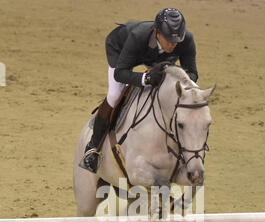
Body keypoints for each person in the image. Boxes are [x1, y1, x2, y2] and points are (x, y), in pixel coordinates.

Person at [81, 8, 198, 173]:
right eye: (168, 40)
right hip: (121, 49)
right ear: (156, 32)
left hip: (158, 58)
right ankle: (93, 148)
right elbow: (120, 73)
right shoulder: (138, 36)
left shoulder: (185, 40)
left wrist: (175, 78)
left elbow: (192, 74)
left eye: (176, 40)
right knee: (115, 95)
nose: (173, 44)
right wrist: (146, 79)